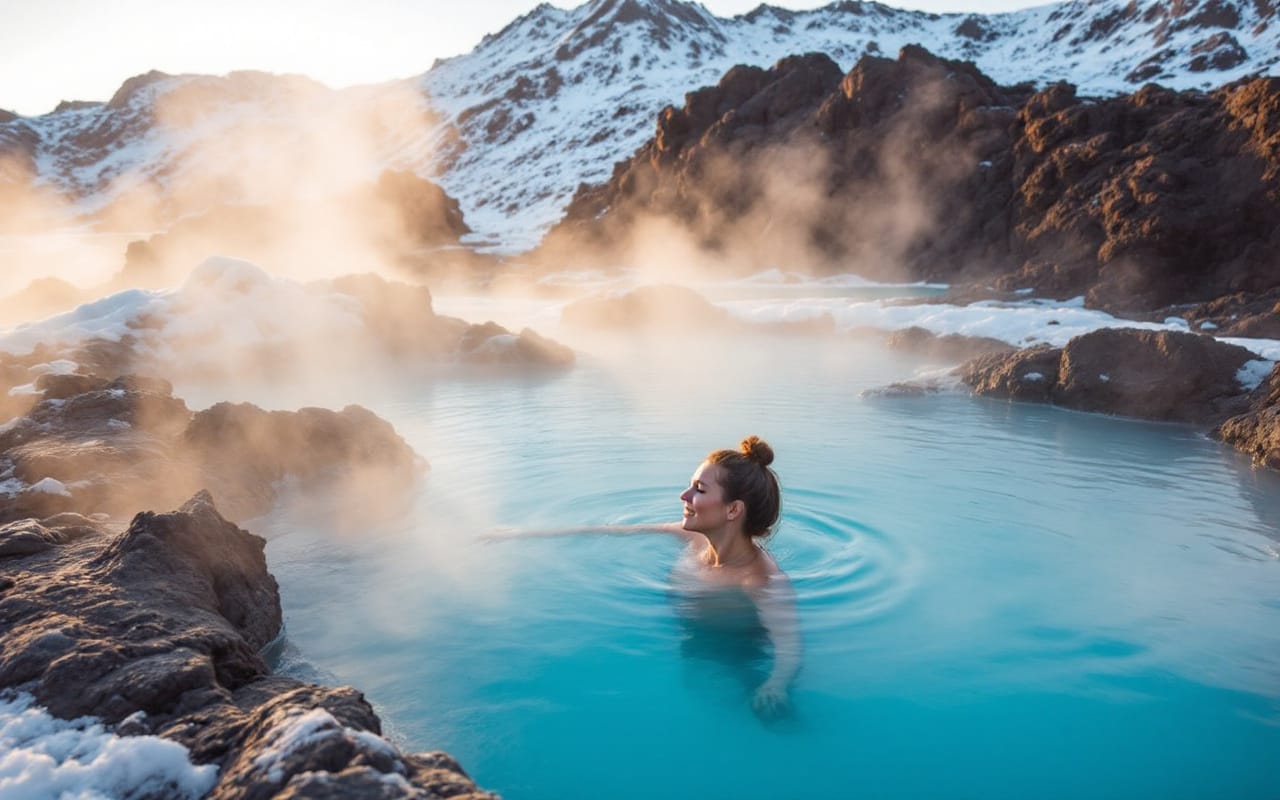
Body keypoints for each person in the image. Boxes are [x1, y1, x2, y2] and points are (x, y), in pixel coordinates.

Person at [490, 435, 800, 717]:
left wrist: (774, 685)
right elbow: (613, 532)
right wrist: (523, 534)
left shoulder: (760, 580)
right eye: (690, 485)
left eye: (699, 490)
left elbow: (789, 646)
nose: (684, 495)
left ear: (733, 510)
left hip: (733, 663)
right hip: (688, 652)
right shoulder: (693, 538)